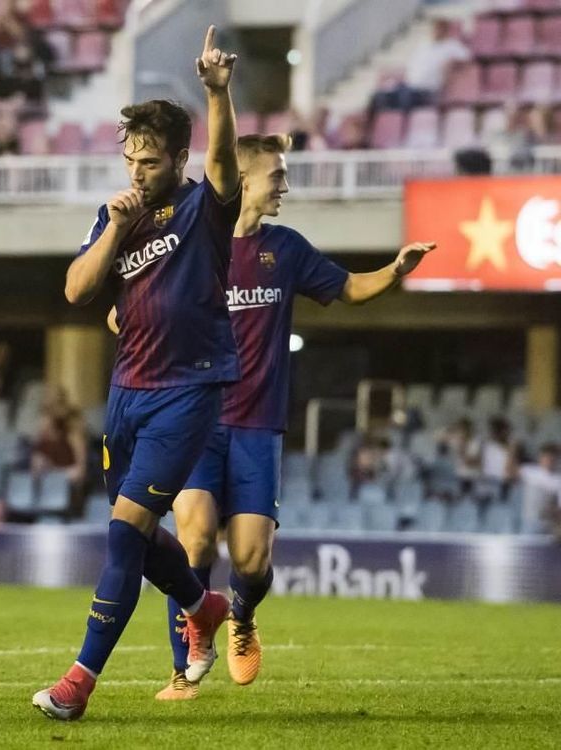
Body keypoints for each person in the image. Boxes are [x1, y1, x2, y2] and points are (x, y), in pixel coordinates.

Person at [110, 133, 435, 699]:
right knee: (194, 541)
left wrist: (395, 270)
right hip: (194, 417)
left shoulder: (284, 250)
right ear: (245, 179)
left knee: (254, 561)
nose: (285, 185)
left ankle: (241, 615)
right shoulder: (188, 240)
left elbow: (349, 287)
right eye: (277, 176)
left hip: (259, 424)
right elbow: (130, 306)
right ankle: (184, 666)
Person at [32, 27, 242, 721]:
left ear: (178, 159)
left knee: (124, 532)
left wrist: (218, 93)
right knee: (142, 534)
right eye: (130, 160)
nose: (137, 172)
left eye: (150, 162)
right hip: (128, 393)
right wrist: (118, 229)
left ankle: (78, 683)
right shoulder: (115, 215)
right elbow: (75, 290)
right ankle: (201, 604)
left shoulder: (203, 208)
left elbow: (224, 165)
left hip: (189, 390)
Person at [518, 443, 560, 534]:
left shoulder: (558, 480)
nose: (549, 460)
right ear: (540, 457)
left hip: (549, 524)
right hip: (529, 522)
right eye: (546, 457)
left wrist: (551, 511)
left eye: (552, 457)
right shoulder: (529, 471)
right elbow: (508, 474)